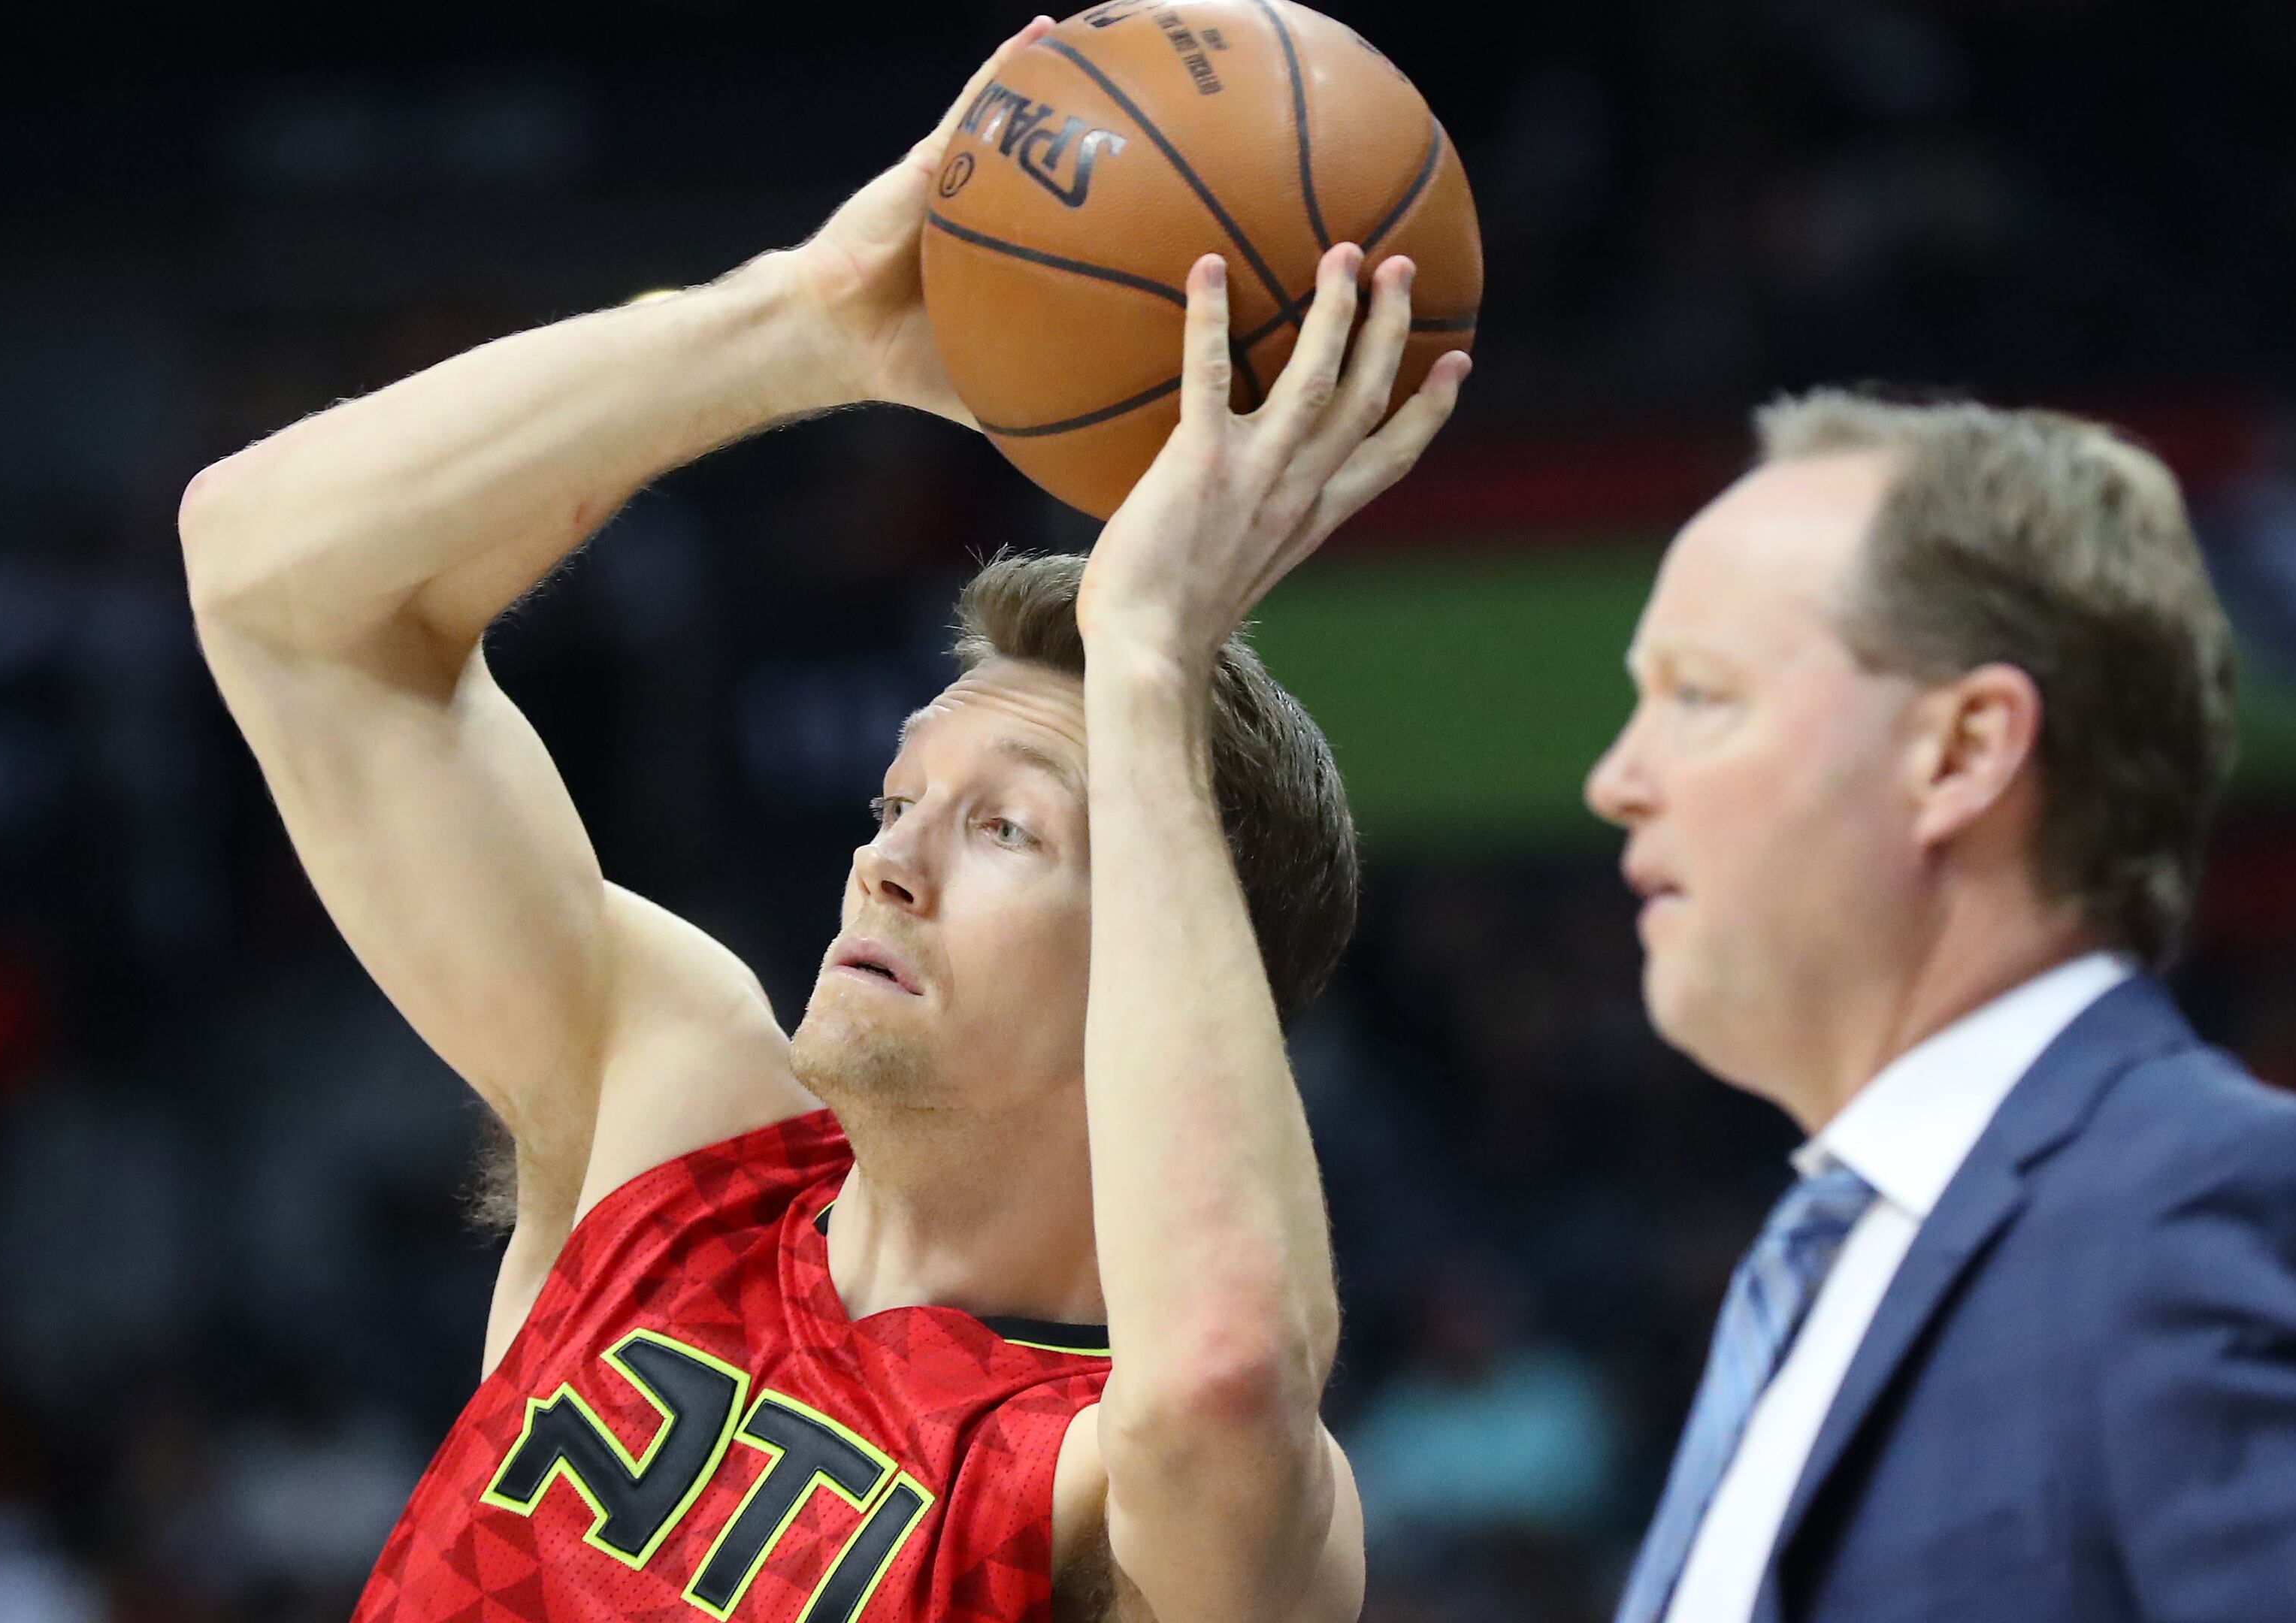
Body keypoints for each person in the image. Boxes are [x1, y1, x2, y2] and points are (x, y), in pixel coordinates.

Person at [174, 16, 1470, 1621]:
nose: (888, 859)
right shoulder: (677, 1128)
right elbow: (274, 588)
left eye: (1009, 832)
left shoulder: (1113, 1494)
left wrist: (1150, 666)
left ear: (1175, 969)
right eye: (901, 796)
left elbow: (1219, 1381)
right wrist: (794, 328)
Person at [1586, 394, 2296, 1623]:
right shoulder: (1817, 1270)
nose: (1616, 779)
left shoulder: (2205, 1207)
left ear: (1960, 752)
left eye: (1699, 695)